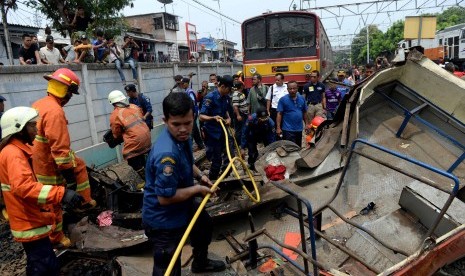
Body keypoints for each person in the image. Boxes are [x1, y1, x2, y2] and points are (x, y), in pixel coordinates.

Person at [142, 92, 226, 275]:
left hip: (182, 204)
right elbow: (164, 199)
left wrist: (201, 177)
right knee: (168, 264)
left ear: (193, 117)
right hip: (162, 217)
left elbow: (188, 162)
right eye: (176, 124)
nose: (183, 129)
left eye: (187, 123)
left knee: (203, 224)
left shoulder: (183, 137)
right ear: (165, 121)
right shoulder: (167, 155)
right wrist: (197, 189)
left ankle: (200, 263)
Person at [0, 107, 84, 276]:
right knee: (44, 265)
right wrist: (62, 194)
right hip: (28, 222)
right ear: (19, 128)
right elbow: (24, 187)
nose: (37, 130)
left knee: (42, 263)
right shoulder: (14, 154)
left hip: (29, 219)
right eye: (32, 126)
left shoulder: (16, 151)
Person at [31, 68, 96, 248]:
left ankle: (84, 201)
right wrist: (69, 177)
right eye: (71, 93)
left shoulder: (39, 104)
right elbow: (59, 148)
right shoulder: (55, 112)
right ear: (66, 91)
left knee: (80, 165)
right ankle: (56, 239)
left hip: (38, 157)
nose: (70, 98)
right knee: (53, 202)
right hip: (47, 164)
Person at [108, 90, 151, 179]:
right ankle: (148, 171)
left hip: (136, 142)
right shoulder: (134, 106)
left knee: (131, 158)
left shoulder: (115, 115)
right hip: (147, 138)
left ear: (113, 103)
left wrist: (119, 137)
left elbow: (116, 134)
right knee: (142, 155)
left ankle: (147, 180)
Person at [199, 75, 234, 181]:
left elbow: (226, 111)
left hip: (224, 131)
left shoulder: (226, 97)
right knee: (216, 160)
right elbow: (201, 117)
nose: (230, 91)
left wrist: (228, 119)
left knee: (230, 155)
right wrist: (213, 118)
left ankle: (225, 176)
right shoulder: (210, 97)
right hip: (213, 133)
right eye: (229, 89)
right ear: (223, 86)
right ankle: (213, 182)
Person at [240, 106, 275, 171]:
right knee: (252, 152)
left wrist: (272, 149)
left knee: (269, 150)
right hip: (252, 135)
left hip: (265, 134)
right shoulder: (250, 119)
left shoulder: (271, 123)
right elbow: (245, 133)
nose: (264, 120)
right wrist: (242, 147)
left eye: (265, 118)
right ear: (257, 117)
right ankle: (252, 166)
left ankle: (268, 164)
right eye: (261, 119)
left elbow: (272, 137)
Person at [276, 80, 308, 147]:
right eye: (290, 89)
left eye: (294, 88)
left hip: (299, 129)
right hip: (288, 129)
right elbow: (279, 114)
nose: (292, 90)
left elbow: (304, 112)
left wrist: (307, 124)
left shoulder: (302, 98)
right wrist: (278, 128)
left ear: (297, 88)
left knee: (298, 147)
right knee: (290, 148)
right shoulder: (283, 100)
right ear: (287, 89)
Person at [182, 78, 204, 149]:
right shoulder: (187, 91)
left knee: (191, 130)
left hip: (193, 113)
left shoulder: (189, 92)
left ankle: (189, 148)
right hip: (192, 113)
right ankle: (200, 145)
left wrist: (193, 113)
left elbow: (193, 102)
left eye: (183, 83)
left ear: (186, 83)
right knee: (195, 129)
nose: (182, 85)